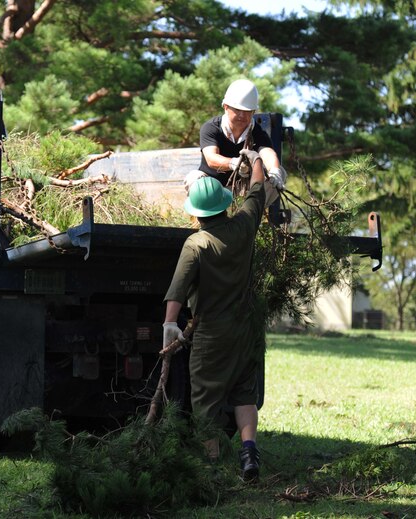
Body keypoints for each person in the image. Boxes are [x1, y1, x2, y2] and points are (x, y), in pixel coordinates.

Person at [163, 148, 266, 482]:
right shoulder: (244, 226)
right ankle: (249, 452)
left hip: (211, 334)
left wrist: (169, 324)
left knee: (205, 398)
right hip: (246, 329)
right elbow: (257, 191)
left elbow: (178, 288)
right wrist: (256, 158)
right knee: (243, 393)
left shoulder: (197, 244)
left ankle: (210, 466)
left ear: (197, 214)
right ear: (223, 205)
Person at [184, 78, 286, 206]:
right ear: (226, 107)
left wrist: (274, 170)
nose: (242, 115)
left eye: (248, 111)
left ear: (254, 111)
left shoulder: (257, 131)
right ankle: (210, 218)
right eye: (237, 110)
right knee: (193, 179)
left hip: (244, 191)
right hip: (214, 188)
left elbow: (268, 153)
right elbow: (211, 158)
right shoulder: (211, 127)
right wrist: (233, 163)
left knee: (279, 172)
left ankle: (250, 214)